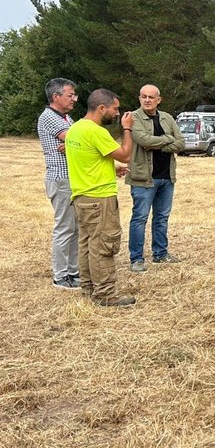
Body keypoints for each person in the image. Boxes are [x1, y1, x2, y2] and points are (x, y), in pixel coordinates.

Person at [64, 88, 137, 307]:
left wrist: (112, 169)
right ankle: (105, 294)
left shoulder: (75, 129)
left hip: (82, 197)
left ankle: (88, 288)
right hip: (100, 198)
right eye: (115, 109)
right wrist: (127, 129)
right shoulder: (97, 131)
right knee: (104, 245)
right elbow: (125, 154)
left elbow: (88, 159)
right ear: (102, 108)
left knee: (87, 244)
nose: (117, 113)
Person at [126, 84, 185, 272]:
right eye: (143, 96)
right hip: (144, 178)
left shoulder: (167, 118)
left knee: (161, 218)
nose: (147, 100)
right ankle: (136, 259)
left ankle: (160, 253)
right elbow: (144, 140)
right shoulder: (133, 118)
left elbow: (181, 143)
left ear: (159, 100)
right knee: (139, 218)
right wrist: (169, 139)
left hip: (166, 177)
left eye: (151, 97)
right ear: (139, 98)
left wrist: (159, 144)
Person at [37, 78, 81, 290]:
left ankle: (73, 272)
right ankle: (60, 276)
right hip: (61, 179)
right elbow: (79, 138)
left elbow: (77, 139)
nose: (74, 99)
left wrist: (73, 142)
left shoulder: (66, 117)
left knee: (75, 228)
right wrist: (73, 141)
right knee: (65, 228)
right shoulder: (49, 117)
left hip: (71, 179)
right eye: (70, 95)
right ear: (56, 97)